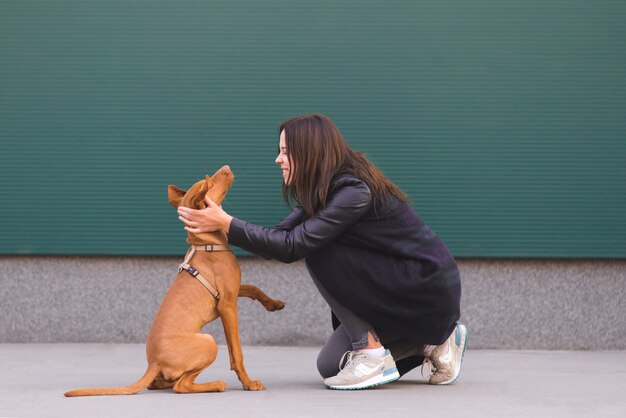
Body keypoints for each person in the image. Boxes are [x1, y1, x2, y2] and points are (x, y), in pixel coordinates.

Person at [177, 114, 467, 390]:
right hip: (395, 292)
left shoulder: (354, 190)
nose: (278, 159)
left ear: (309, 151)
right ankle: (434, 342)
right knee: (330, 366)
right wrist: (220, 223)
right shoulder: (321, 190)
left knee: (317, 248)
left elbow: (292, 246)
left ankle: (371, 352)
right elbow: (279, 239)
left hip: (425, 286)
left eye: (285, 152)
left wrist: (226, 223)